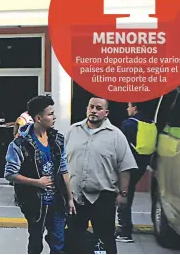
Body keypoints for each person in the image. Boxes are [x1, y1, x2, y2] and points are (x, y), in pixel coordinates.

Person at [64, 97, 138, 254]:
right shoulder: (72, 131)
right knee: (74, 240)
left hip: (103, 198)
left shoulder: (116, 135)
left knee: (105, 241)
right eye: (91, 107)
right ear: (86, 109)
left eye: (98, 108)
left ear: (106, 113)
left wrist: (123, 194)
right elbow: (62, 162)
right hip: (75, 197)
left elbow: (125, 166)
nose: (94, 111)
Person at [4, 95, 75, 254]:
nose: (54, 117)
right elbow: (10, 174)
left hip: (57, 201)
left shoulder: (57, 139)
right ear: (38, 118)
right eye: (50, 114)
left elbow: (63, 169)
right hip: (34, 203)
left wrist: (69, 198)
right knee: (36, 242)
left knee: (59, 243)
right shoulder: (19, 144)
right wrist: (37, 182)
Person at [116, 102, 157, 243]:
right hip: (142, 165)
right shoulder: (151, 123)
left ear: (135, 108)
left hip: (128, 165)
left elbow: (120, 147)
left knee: (123, 195)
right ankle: (126, 227)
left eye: (129, 106)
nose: (127, 109)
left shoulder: (129, 124)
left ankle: (124, 232)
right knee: (129, 193)